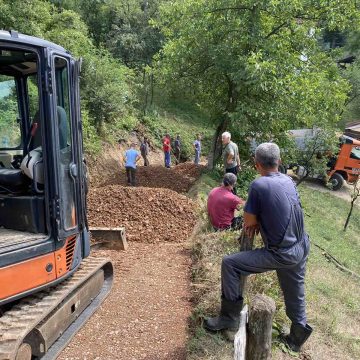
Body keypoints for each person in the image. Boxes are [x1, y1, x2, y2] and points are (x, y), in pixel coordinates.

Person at [204, 143, 312, 353]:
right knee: (295, 290)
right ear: (279, 162)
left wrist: (257, 221)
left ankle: (229, 318)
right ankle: (297, 337)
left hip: (281, 252)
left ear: (256, 165)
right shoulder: (288, 180)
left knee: (230, 264)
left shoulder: (259, 185)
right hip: (301, 246)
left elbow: (249, 221)